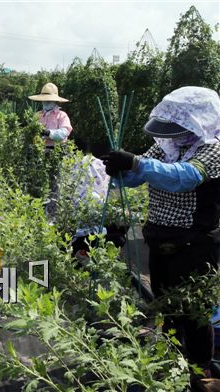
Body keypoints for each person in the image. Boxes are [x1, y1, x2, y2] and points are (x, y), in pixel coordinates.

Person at [100, 86, 220, 382]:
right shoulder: (167, 144)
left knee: (194, 311)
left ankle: (200, 370)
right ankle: (172, 361)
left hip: (194, 243)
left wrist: (137, 163)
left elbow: (185, 177)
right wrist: (119, 172)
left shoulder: (213, 147)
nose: (172, 132)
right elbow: (138, 173)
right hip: (159, 238)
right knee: (166, 304)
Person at [28, 82, 73, 148]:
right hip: (39, 149)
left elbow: (64, 132)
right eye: (44, 100)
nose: (46, 102)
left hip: (57, 150)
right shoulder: (37, 115)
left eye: (49, 100)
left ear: (54, 101)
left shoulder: (62, 115)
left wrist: (49, 132)